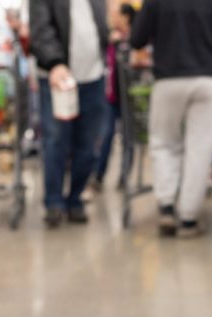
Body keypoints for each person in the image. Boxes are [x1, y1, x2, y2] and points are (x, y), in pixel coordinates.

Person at [131, 0, 212, 237]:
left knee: (164, 142)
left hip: (168, 79)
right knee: (200, 148)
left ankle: (166, 206)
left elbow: (137, 39)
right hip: (208, 80)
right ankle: (189, 218)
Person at [30, 0, 109, 228]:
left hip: (93, 78)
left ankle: (75, 198)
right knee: (56, 140)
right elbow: (40, 30)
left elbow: (100, 27)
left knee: (89, 143)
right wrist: (54, 62)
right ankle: (54, 202)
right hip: (56, 77)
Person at [91, 3, 136, 192]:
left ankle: (124, 176)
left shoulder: (135, 38)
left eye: (118, 15)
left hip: (129, 98)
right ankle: (99, 175)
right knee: (106, 135)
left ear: (127, 17)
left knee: (128, 139)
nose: (114, 18)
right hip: (111, 97)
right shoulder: (110, 38)